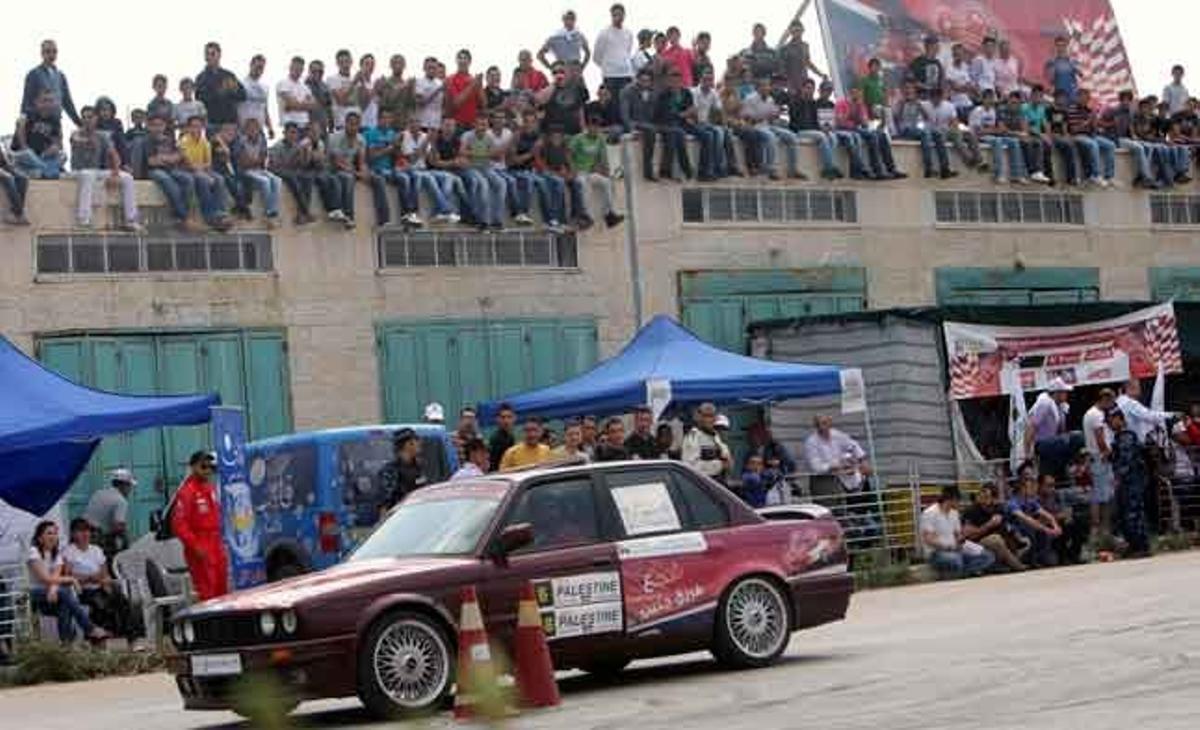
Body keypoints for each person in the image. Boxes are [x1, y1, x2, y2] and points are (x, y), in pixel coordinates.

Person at [26, 521, 108, 644]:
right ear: (39, 537)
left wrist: (54, 589)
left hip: (49, 595)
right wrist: (71, 579)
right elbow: (45, 578)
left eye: (55, 533)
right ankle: (90, 628)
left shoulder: (56, 554)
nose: (53, 536)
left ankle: (66, 645)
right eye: (49, 533)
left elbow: (54, 577)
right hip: (30, 594)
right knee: (65, 592)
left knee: (65, 605)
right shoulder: (33, 552)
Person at [63, 518, 142, 643]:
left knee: (122, 600)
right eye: (81, 531)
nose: (85, 534)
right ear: (73, 534)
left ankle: (131, 638)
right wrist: (88, 578)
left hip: (99, 586)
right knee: (99, 603)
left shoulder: (96, 550)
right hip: (81, 590)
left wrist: (103, 581)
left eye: (87, 531)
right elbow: (68, 575)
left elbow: (104, 572)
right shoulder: (69, 551)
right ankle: (98, 638)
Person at [70, 105, 143, 232]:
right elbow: (77, 140)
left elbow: (115, 155)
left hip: (97, 171)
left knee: (127, 178)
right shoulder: (76, 134)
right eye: (84, 117)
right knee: (87, 175)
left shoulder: (102, 135)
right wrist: (88, 138)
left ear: (96, 119)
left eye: (90, 117)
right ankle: (84, 220)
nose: (87, 120)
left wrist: (115, 174)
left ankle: (131, 220)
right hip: (78, 172)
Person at [171, 451, 229, 601]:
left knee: (222, 589)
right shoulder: (187, 492)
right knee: (208, 592)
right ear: (193, 467)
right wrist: (196, 546)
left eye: (210, 467)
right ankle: (210, 624)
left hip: (216, 543)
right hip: (201, 545)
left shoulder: (209, 489)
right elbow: (179, 524)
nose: (208, 471)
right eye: (203, 466)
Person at [921, 486, 995, 579]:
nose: (959, 503)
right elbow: (929, 539)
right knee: (956, 559)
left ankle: (962, 573)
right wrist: (948, 546)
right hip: (937, 552)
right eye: (958, 500)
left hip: (956, 549)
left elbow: (958, 536)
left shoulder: (954, 513)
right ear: (951, 499)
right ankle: (966, 572)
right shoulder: (930, 513)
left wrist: (964, 538)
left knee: (988, 556)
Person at [178, 115, 234, 231]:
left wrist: (205, 171)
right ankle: (209, 215)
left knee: (219, 179)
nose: (196, 129)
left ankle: (221, 212)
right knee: (202, 180)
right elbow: (188, 164)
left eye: (198, 126)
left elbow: (208, 163)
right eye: (193, 126)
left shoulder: (205, 142)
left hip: (202, 170)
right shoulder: (183, 142)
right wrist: (202, 172)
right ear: (188, 128)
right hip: (187, 171)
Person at [570, 113, 625, 227]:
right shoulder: (579, 138)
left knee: (607, 182)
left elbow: (603, 158)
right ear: (588, 127)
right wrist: (573, 169)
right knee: (583, 186)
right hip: (579, 171)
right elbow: (568, 153)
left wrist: (606, 172)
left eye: (597, 127)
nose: (595, 129)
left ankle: (609, 214)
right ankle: (585, 215)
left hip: (591, 172)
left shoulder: (600, 139)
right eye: (592, 126)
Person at [893, 81, 955, 179]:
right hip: (904, 129)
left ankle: (944, 168)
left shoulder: (918, 102)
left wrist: (919, 106)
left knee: (937, 134)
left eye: (911, 88)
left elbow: (927, 118)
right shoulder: (900, 102)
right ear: (903, 90)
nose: (909, 90)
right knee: (925, 134)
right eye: (907, 88)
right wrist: (904, 103)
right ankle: (928, 168)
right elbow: (897, 119)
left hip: (916, 128)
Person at [960, 484, 1026, 571]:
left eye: (986, 496)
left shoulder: (998, 508)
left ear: (994, 499)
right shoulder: (971, 511)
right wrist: (988, 525)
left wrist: (1015, 535)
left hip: (999, 541)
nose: (981, 497)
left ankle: (1002, 565)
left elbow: (1006, 527)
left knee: (1024, 541)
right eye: (980, 494)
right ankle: (1016, 565)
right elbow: (969, 537)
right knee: (995, 539)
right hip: (975, 543)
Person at [804, 415, 872, 495]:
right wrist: (836, 465)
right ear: (815, 426)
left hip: (846, 476)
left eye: (825, 423)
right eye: (818, 424)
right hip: (826, 480)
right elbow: (816, 467)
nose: (822, 427)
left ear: (830, 423)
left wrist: (863, 461)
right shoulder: (811, 442)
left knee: (863, 480)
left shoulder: (837, 434)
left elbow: (853, 445)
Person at [1007, 472, 1063, 567]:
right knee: (1032, 527)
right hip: (1014, 535)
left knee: (1040, 529)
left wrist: (1056, 526)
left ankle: (1038, 556)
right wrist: (1049, 530)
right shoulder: (1012, 503)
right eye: (1031, 486)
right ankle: (1024, 559)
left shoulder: (1030, 501)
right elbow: (1028, 520)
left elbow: (1048, 515)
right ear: (1023, 489)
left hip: (1028, 533)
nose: (1035, 489)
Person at [1082, 388, 1117, 543]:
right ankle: (1102, 531)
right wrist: (1108, 453)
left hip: (1096, 458)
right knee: (1103, 498)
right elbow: (1100, 438)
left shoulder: (1091, 414)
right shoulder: (1096, 415)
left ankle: (1101, 532)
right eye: (1111, 401)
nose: (1112, 405)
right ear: (1105, 399)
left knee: (1100, 496)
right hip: (1100, 458)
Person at [22, 39, 81, 127]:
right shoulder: (34, 74)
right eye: (48, 51)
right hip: (38, 122)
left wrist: (78, 123)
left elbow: (67, 102)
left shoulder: (61, 76)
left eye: (54, 52)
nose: (51, 55)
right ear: (42, 54)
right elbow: (27, 100)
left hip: (56, 121)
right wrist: (24, 121)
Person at [236, 117, 282, 224]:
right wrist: (255, 161)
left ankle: (273, 210)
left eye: (255, 128)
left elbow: (263, 158)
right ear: (245, 130)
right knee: (265, 182)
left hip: (259, 169)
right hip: (246, 171)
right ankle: (268, 212)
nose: (252, 131)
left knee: (277, 180)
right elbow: (243, 162)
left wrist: (254, 160)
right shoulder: (241, 141)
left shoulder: (262, 140)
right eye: (250, 128)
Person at [83, 468, 136, 560]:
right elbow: (118, 526)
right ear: (123, 485)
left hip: (83, 532)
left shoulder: (98, 493)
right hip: (98, 537)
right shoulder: (121, 500)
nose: (130, 490)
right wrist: (128, 543)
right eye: (129, 486)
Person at [12, 88, 65, 180]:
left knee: (63, 155)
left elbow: (59, 142)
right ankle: (49, 172)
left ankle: (39, 172)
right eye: (44, 100)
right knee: (28, 154)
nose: (47, 104)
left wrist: (54, 147)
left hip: (41, 156)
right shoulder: (28, 113)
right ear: (36, 102)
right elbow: (20, 129)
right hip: (22, 153)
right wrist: (24, 146)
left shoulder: (55, 120)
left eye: (50, 101)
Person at [195, 42, 246, 132]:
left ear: (219, 55)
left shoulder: (229, 75)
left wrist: (234, 90)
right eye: (207, 54)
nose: (210, 57)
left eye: (213, 54)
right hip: (213, 124)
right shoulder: (201, 78)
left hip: (231, 124)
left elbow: (243, 95)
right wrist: (221, 91)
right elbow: (199, 99)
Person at [619, 69, 660, 181]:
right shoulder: (627, 91)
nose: (645, 83)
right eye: (643, 80)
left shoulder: (654, 92)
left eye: (648, 81)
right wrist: (631, 128)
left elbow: (655, 112)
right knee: (651, 131)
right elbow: (625, 113)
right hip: (634, 123)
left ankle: (665, 170)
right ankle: (648, 170)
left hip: (649, 123)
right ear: (637, 79)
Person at [1038, 473, 1088, 564]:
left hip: (1062, 527)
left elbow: (1079, 500)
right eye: (1049, 486)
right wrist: (1057, 517)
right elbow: (1040, 520)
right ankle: (1062, 556)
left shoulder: (1057, 495)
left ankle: (1074, 554)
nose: (1053, 488)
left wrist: (1067, 514)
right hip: (1046, 533)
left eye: (1054, 485)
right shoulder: (1036, 500)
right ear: (1040, 486)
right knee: (1062, 525)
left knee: (1078, 522)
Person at [593, 3, 634, 107]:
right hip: (610, 75)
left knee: (625, 104)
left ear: (624, 15)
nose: (617, 18)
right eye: (615, 15)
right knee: (611, 103)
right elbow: (596, 56)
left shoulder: (628, 33)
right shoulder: (604, 33)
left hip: (626, 74)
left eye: (620, 15)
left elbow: (627, 51)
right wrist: (608, 66)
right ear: (611, 16)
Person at [682, 403, 731, 481]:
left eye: (712, 415)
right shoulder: (693, 436)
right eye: (706, 416)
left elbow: (726, 459)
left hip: (719, 482)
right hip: (702, 484)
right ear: (698, 417)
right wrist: (719, 465)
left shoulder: (715, 435)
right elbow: (691, 467)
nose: (710, 419)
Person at [1025, 378, 1071, 459]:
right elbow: (1031, 426)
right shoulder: (1045, 403)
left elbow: (1061, 430)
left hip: (1052, 444)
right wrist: (1027, 452)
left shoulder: (1060, 406)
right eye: (1064, 392)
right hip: (1042, 445)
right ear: (1057, 393)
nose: (1066, 394)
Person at [1117, 378, 1173, 442]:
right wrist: (1172, 415)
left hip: (1124, 441)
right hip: (1132, 443)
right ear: (1131, 387)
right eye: (1139, 386)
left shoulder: (1119, 401)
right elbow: (1149, 416)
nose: (1141, 390)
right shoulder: (1130, 403)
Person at [277, 56, 315, 134]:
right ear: (290, 67)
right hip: (290, 126)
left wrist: (296, 105)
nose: (298, 71)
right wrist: (304, 104)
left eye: (300, 69)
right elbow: (292, 104)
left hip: (305, 125)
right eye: (295, 68)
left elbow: (313, 105)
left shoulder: (305, 87)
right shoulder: (283, 83)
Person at [1044, 35, 1081, 102]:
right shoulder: (1051, 63)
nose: (1060, 48)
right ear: (1055, 46)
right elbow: (1049, 80)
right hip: (1058, 97)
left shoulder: (1073, 62)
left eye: (1063, 45)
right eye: (1058, 45)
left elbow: (1081, 77)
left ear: (1066, 46)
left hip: (1072, 96)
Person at [909, 35, 945, 99]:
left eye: (938, 45)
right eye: (936, 45)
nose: (939, 47)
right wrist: (926, 87)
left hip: (935, 99)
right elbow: (911, 80)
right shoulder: (918, 62)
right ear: (929, 46)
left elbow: (941, 80)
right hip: (922, 97)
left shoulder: (937, 63)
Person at [488, 403, 517, 471]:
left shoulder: (511, 437)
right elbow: (493, 464)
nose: (506, 421)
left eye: (509, 417)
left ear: (514, 418)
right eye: (503, 417)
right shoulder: (496, 438)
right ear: (497, 419)